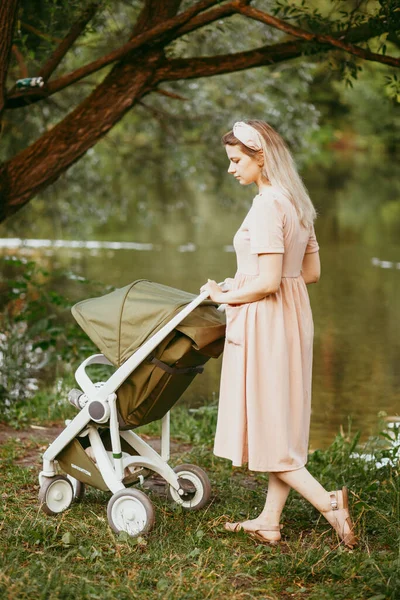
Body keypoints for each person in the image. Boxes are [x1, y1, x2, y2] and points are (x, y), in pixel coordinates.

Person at [201, 120, 357, 548]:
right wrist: (243, 282)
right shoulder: (297, 203)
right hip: (292, 318)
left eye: (236, 161)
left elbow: (269, 282)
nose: (232, 169)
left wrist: (224, 294)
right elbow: (309, 273)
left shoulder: (268, 206)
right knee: (278, 424)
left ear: (260, 157)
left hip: (267, 321)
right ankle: (270, 521)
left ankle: (330, 504)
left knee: (269, 427)